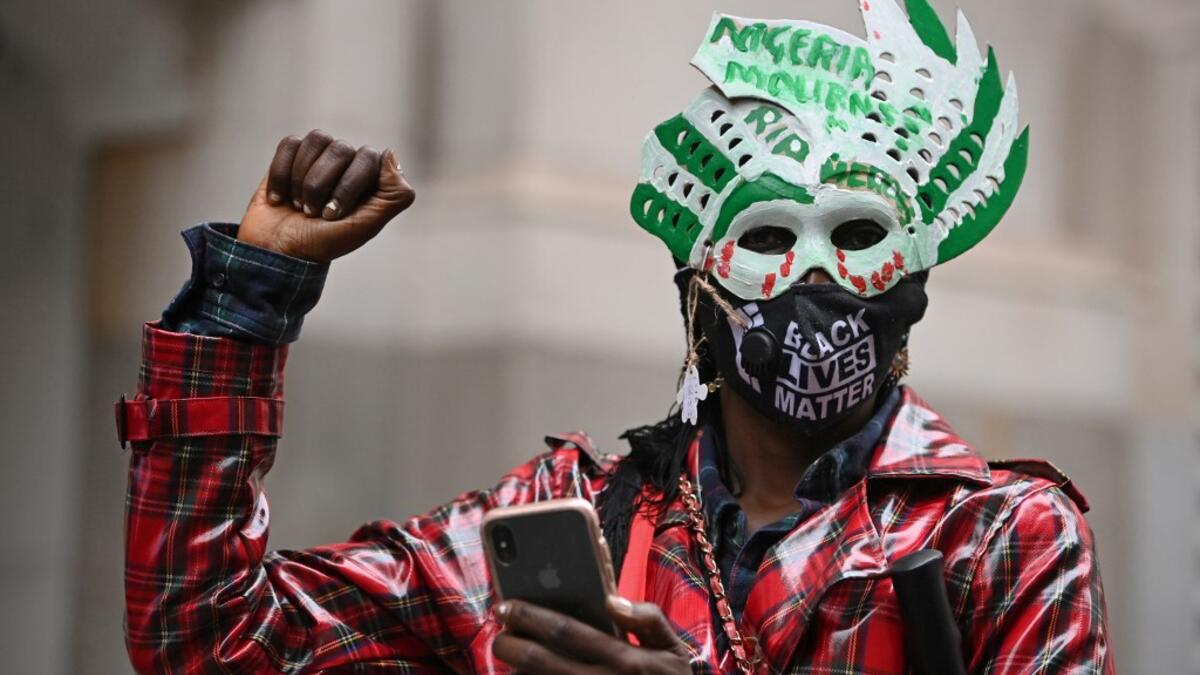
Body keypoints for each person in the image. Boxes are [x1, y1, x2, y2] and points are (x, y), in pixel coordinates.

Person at [118, 1, 1111, 672]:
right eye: (770, 237)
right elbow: (210, 641)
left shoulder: (1002, 539)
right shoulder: (573, 518)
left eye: (857, 234)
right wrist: (250, 304)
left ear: (912, 283)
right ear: (700, 284)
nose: (817, 277)